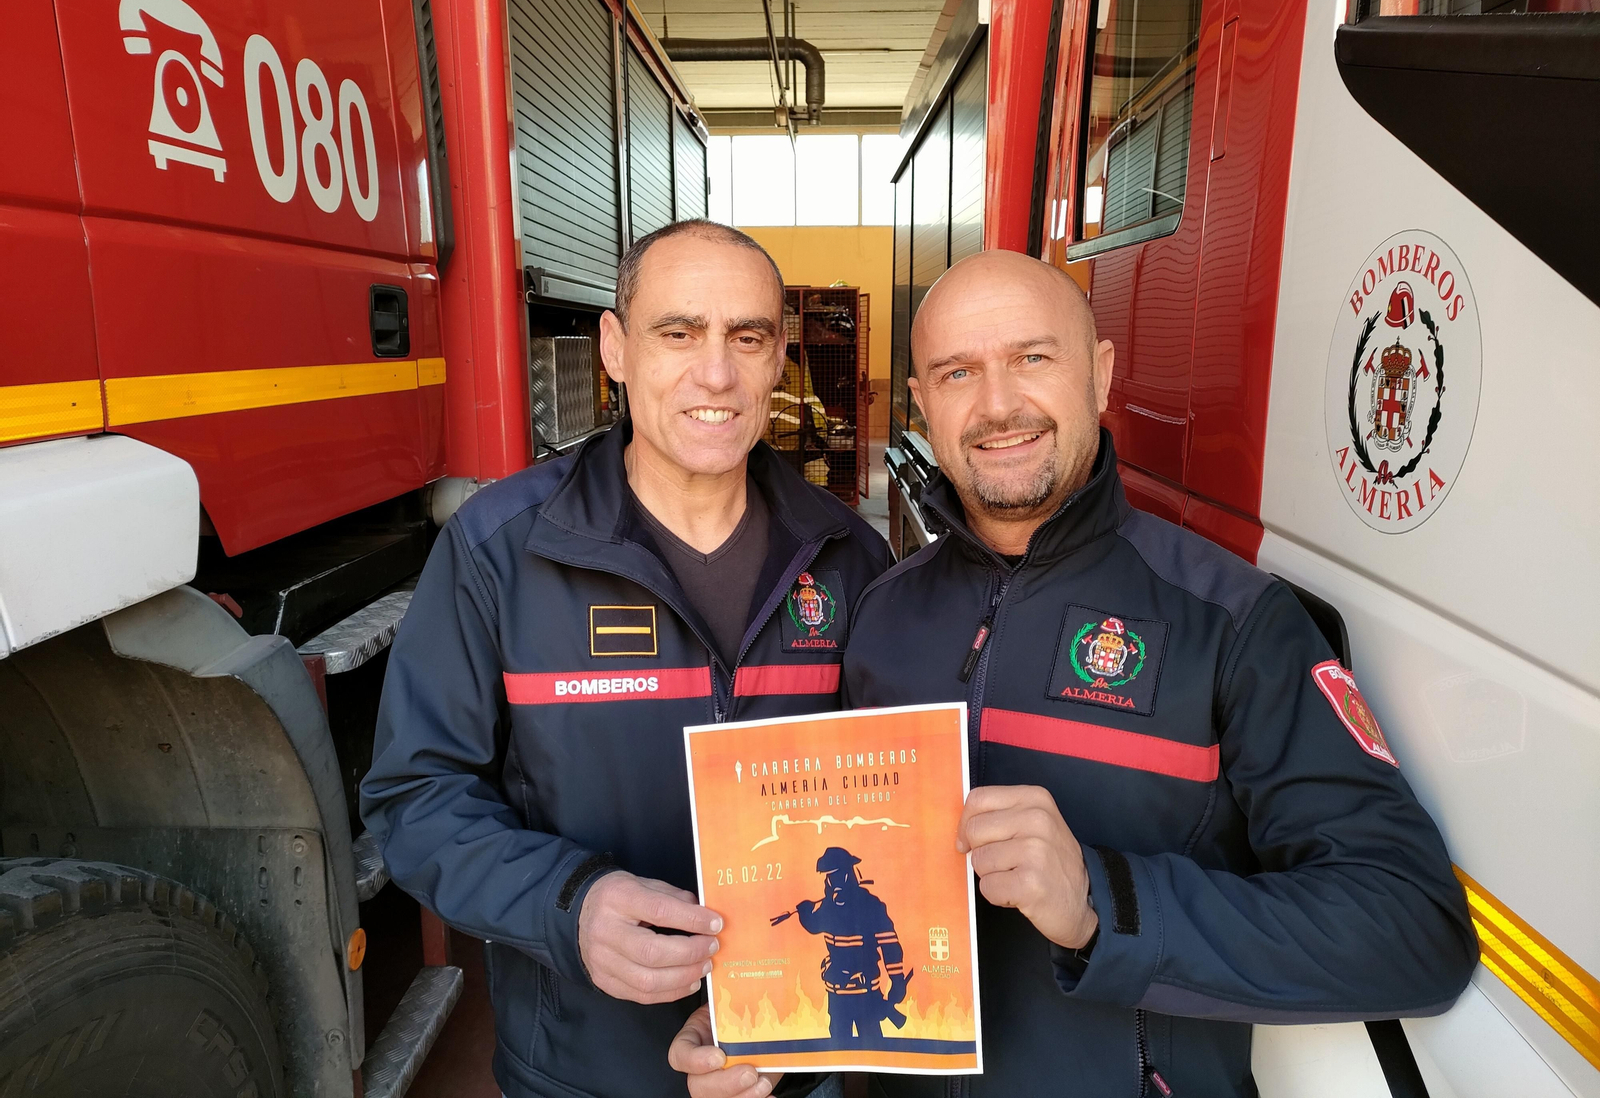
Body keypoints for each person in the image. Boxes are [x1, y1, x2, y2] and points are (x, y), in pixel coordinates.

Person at [672, 249, 1476, 1097]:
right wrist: (768, 1039)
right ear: (923, 408)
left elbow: (1413, 929)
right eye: (956, 373)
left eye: (1033, 358)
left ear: (1099, 376)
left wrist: (1104, 902)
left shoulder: (1234, 622)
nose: (997, 404)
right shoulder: (883, 613)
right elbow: (841, 883)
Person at [360, 220, 890, 1098]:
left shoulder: (850, 561)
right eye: (678, 332)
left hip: (786, 1060)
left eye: (746, 338)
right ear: (615, 348)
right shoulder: (501, 553)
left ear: (777, 361)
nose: (714, 373)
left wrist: (796, 1036)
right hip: (578, 1071)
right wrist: (569, 905)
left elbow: (891, 816)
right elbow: (416, 796)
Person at [790, 847, 909, 1046]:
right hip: (837, 997)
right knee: (838, 1049)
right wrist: (805, 912)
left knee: (873, 1049)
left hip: (867, 994)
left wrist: (897, 981)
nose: (831, 883)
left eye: (836, 876)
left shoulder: (871, 905)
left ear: (849, 875)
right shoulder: (827, 908)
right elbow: (814, 926)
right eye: (828, 878)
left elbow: (890, 946)